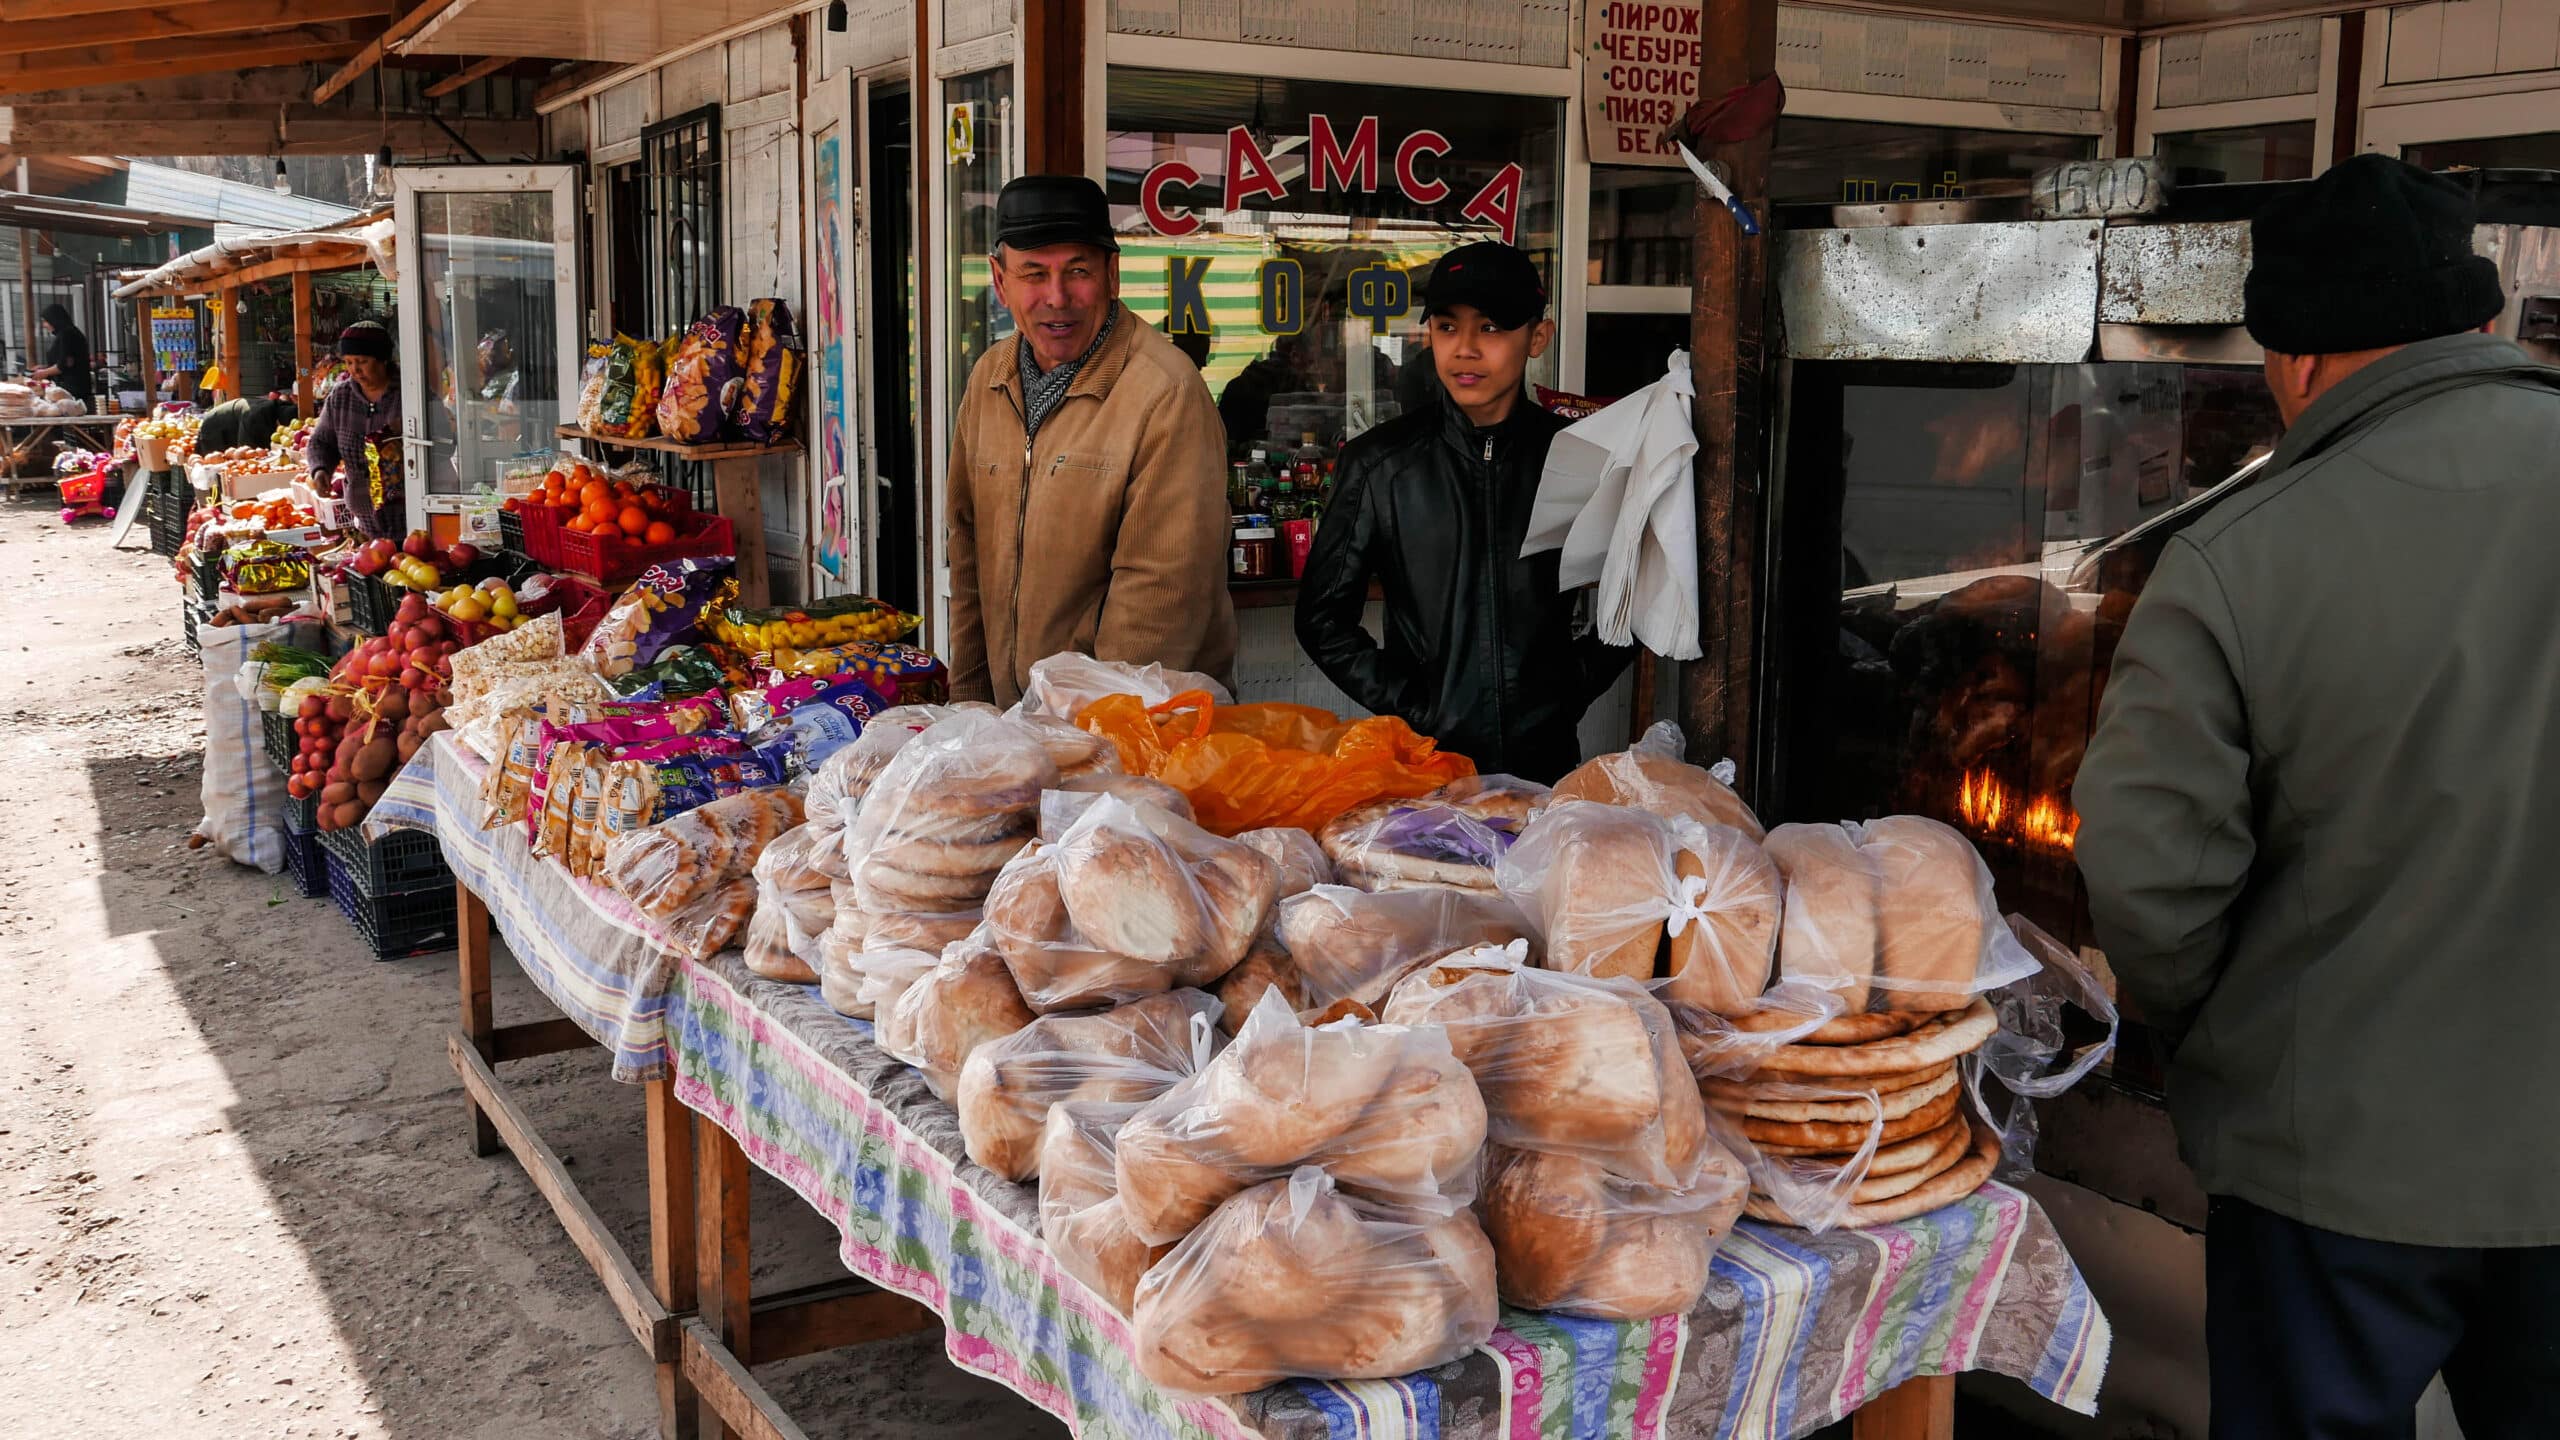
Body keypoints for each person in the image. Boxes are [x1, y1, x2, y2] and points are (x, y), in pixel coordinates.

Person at [2074, 154, 2560, 1440]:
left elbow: (2146, 881)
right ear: (2484, 322)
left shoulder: (2239, 557)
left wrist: (2202, 1040)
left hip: (2330, 1166)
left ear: (2289, 360)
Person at [1295, 241, 1634, 782]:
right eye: (1448, 327)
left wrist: (1568, 690)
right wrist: (1414, 710)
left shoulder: (1580, 456)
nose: (1466, 349)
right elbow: (1322, 619)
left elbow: (1634, 592)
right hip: (1425, 772)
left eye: (1492, 328)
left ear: (1537, 337)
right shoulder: (1380, 465)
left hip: (1545, 770)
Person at [944, 174, 1234, 707]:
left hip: (1132, 738)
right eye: (1034, 273)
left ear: (1112, 275)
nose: (1057, 297)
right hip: (1019, 735)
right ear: (1000, 281)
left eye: (1077, 271)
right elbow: (967, 561)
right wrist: (969, 713)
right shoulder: (990, 379)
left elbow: (1158, 604)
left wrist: (1077, 751)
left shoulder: (1164, 392)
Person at [304, 321, 404, 539]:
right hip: (364, 519)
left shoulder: (409, 392)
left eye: (362, 362)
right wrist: (320, 470)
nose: (355, 370)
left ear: (383, 360)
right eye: (349, 362)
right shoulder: (341, 397)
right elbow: (321, 442)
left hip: (409, 517)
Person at [31, 303, 92, 405]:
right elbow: (66, 361)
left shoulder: (67, 334)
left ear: (54, 319)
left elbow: (64, 365)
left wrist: (44, 372)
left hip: (72, 391)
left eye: (45, 321)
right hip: (74, 389)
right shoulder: (68, 333)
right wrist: (44, 368)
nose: (44, 325)